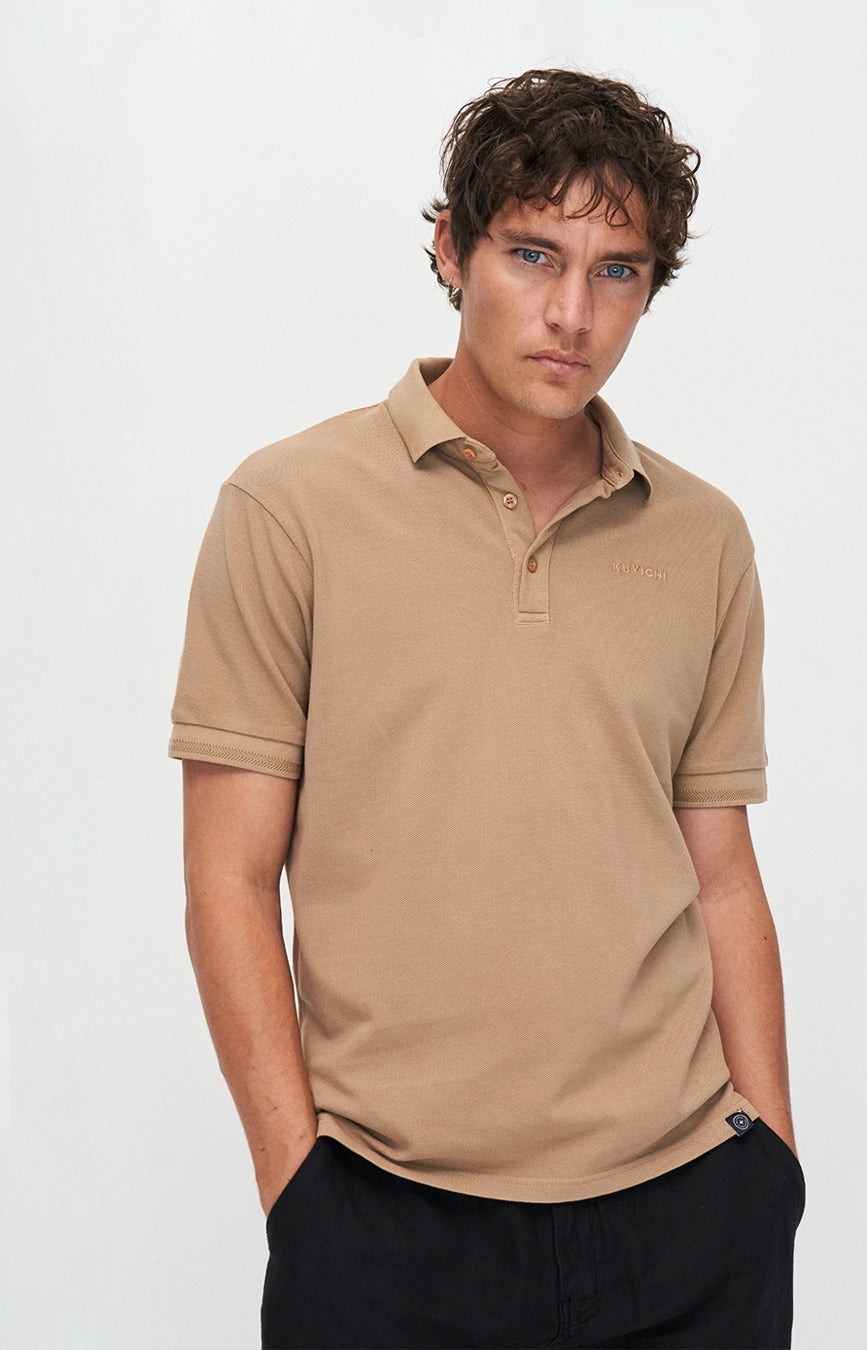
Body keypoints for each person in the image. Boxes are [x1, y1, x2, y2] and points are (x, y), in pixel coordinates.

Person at [170, 68, 803, 1350]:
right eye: (532, 255)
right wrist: (301, 1194)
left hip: (688, 1210)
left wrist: (771, 1168)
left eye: (617, 270)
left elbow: (721, 873)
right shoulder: (289, 509)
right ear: (451, 249)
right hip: (385, 1220)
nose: (573, 312)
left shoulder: (704, 537)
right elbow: (228, 880)